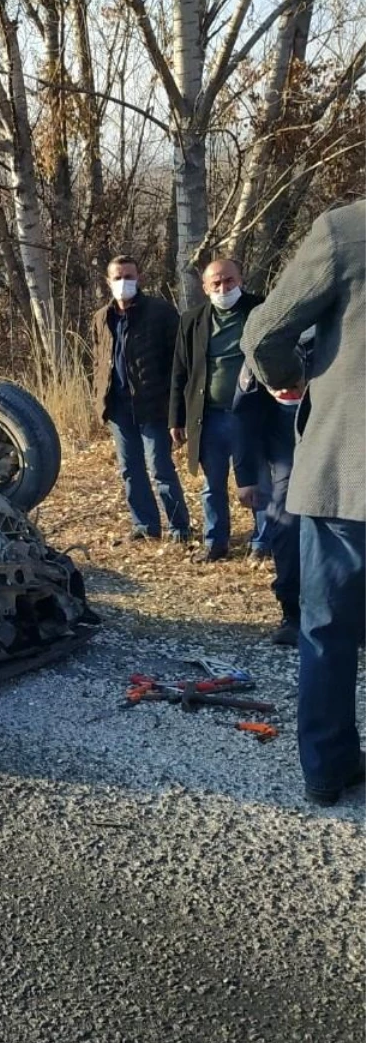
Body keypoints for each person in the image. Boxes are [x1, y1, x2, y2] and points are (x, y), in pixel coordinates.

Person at [241, 199, 366, 807]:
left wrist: (286, 377)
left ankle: (327, 767)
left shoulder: (347, 231)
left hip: (348, 474)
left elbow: (264, 331)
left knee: (327, 630)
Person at [169, 258, 267, 562]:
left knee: (257, 481)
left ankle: (263, 543)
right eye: (216, 283)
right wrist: (177, 417)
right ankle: (216, 542)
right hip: (209, 416)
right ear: (205, 287)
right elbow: (180, 372)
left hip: (252, 414)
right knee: (212, 485)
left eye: (229, 281)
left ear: (241, 279)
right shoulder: (192, 320)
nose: (224, 287)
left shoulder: (260, 311)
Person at [93, 255, 191, 542]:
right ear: (108, 282)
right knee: (130, 470)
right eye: (118, 277)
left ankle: (179, 527)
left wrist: (177, 409)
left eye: (129, 276)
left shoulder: (160, 312)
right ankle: (145, 526)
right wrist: (99, 399)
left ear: (140, 278)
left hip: (153, 407)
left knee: (160, 468)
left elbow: (178, 362)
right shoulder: (102, 317)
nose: (124, 282)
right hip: (118, 408)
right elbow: (99, 360)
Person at [230, 357, 301, 645]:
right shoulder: (265, 339)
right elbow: (244, 415)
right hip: (285, 445)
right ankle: (293, 614)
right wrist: (246, 476)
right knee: (286, 525)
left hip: (341, 441)